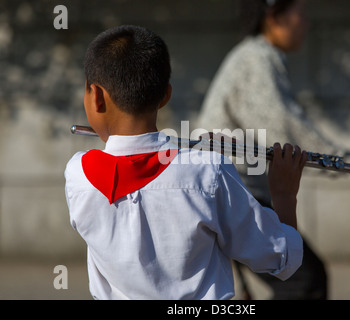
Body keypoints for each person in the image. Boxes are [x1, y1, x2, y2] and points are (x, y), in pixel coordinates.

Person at [64, 25, 308, 300]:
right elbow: (279, 256)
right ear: (166, 95)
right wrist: (284, 195)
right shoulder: (208, 171)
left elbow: (131, 167)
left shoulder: (77, 176)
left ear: (95, 96)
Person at [197, 0, 350, 299]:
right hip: (233, 194)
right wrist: (348, 163)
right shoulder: (255, 58)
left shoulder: (260, 56)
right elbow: (282, 128)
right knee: (304, 281)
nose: (306, 23)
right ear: (273, 17)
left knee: (303, 276)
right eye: (301, 14)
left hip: (236, 192)